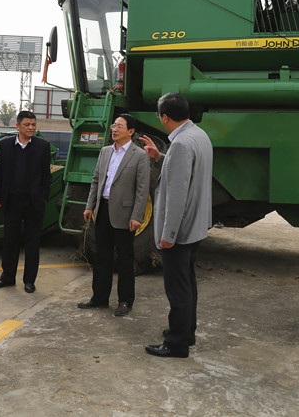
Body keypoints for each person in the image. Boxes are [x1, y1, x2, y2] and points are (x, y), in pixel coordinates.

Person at [140, 93, 212, 358]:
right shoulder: (198, 135)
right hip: (195, 226)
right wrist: (161, 157)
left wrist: (168, 235)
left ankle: (177, 343)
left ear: (165, 117)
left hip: (179, 231)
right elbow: (186, 172)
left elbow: (177, 194)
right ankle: (186, 331)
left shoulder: (181, 143)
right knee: (187, 284)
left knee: (177, 289)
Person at [77, 114, 149, 316]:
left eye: (119, 126)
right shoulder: (105, 151)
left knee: (125, 259)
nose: (114, 129)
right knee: (102, 257)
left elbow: (142, 190)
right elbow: (96, 180)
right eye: (113, 125)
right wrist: (90, 206)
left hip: (125, 214)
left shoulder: (139, 155)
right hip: (103, 211)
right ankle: (99, 298)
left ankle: (125, 301)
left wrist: (137, 216)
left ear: (131, 131)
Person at [0, 111, 51, 293]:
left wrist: (43, 197)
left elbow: (46, 176)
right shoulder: (4, 145)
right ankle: (7, 277)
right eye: (27, 124)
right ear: (17, 126)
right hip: (11, 201)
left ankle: (29, 280)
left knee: (32, 243)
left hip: (34, 203)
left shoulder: (42, 146)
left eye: (33, 124)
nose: (31, 128)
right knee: (10, 241)